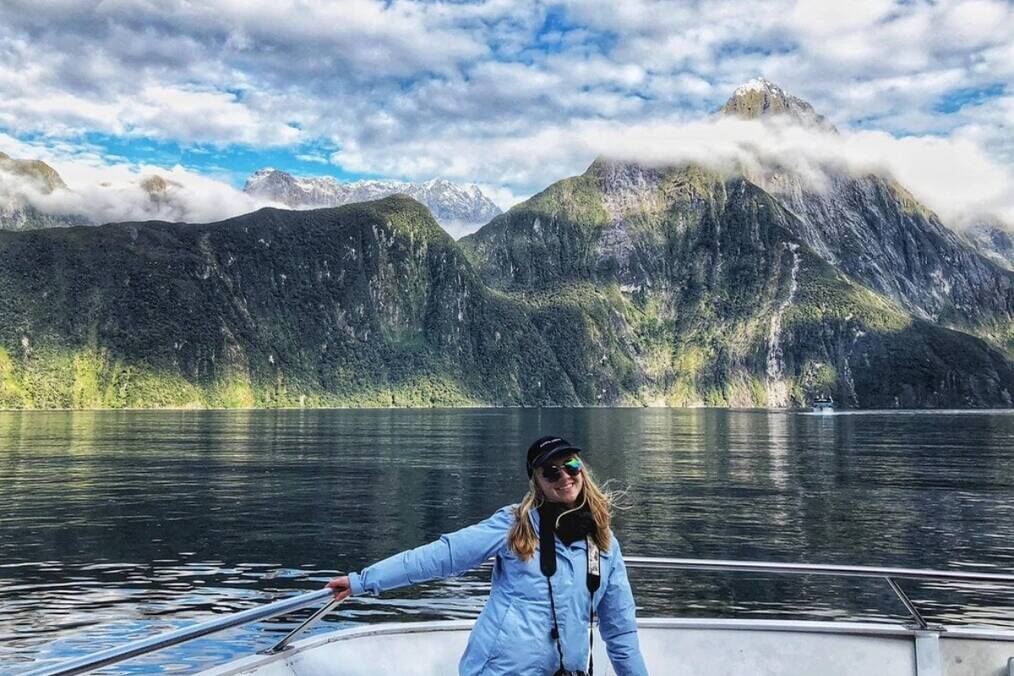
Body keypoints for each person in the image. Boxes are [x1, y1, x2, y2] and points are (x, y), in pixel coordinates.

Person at [326, 435, 649, 676]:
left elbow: (620, 630)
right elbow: (443, 555)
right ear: (536, 482)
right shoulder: (514, 525)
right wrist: (363, 581)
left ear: (582, 469)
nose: (564, 476)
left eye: (571, 465)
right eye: (550, 472)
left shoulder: (604, 544)